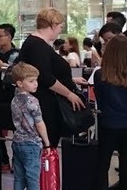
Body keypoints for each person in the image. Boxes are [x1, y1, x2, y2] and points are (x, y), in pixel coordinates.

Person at [82, 35, 127, 190]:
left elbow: (99, 98)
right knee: (126, 168)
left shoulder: (100, 75)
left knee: (101, 165)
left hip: (108, 124)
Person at [19, 8, 86, 148]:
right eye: (60, 27)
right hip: (45, 104)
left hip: (44, 101)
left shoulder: (37, 44)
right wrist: (69, 94)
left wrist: (71, 81)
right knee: (46, 145)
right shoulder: (38, 46)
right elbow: (45, 77)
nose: (60, 31)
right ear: (53, 25)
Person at [9, 62, 53, 190]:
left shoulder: (15, 99)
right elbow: (39, 123)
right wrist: (47, 142)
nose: (35, 84)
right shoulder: (33, 101)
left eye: (36, 80)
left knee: (19, 179)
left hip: (17, 142)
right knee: (33, 179)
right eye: (31, 81)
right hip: (32, 144)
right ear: (20, 83)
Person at [0, 23, 21, 171]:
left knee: (16, 128)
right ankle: (3, 159)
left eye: (0, 36)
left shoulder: (17, 54)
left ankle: (17, 160)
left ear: (9, 37)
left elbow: (17, 72)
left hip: (11, 95)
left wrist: (2, 66)